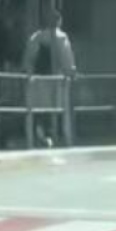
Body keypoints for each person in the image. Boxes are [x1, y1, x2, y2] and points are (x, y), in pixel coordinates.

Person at [23, 9, 76, 147]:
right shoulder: (62, 37)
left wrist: (29, 75)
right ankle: (57, 136)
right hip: (56, 80)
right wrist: (71, 71)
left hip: (38, 79)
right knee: (59, 109)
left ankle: (39, 135)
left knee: (38, 109)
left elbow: (28, 60)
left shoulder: (36, 37)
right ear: (59, 21)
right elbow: (67, 59)